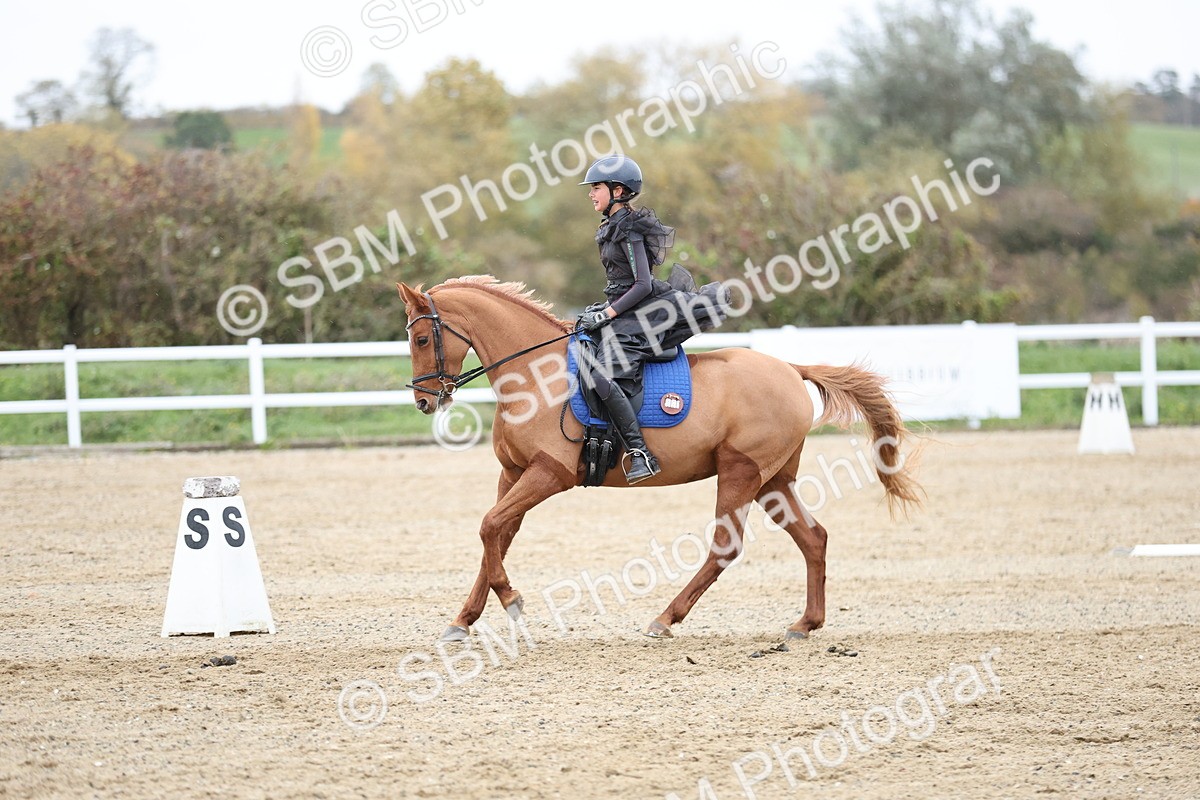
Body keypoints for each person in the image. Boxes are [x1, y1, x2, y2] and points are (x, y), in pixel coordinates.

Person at [575, 154, 729, 484]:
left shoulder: (629, 229)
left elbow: (642, 284)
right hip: (625, 309)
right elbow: (620, 282)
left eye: (596, 187)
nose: (591, 193)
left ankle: (640, 452)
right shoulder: (610, 226)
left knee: (602, 376)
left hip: (645, 313)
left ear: (618, 190)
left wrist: (608, 313)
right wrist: (602, 307)